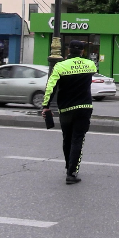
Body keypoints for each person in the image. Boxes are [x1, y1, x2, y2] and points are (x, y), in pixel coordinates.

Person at [41, 40, 97, 185]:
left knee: (67, 138)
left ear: (68, 50)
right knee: (78, 139)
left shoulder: (60, 66)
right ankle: (72, 173)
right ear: (82, 52)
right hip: (84, 107)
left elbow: (50, 87)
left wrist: (46, 106)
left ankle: (68, 166)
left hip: (66, 109)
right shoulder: (90, 65)